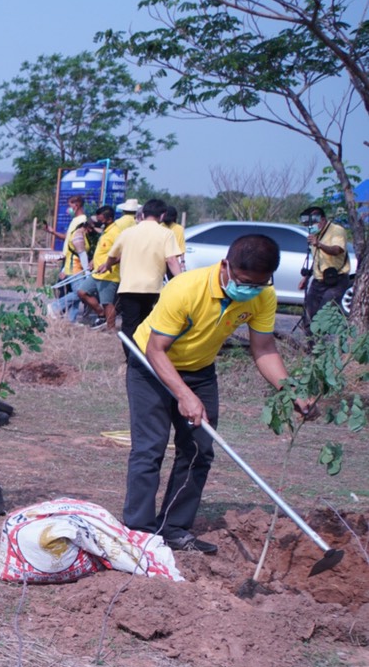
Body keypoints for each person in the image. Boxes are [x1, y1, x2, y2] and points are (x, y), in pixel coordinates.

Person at [125, 233, 309, 553]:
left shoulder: (261, 295)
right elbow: (156, 350)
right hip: (151, 366)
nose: (249, 289)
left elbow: (264, 347)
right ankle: (138, 532)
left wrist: (290, 390)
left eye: (260, 283)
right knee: (149, 448)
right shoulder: (185, 288)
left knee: (199, 450)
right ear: (226, 265)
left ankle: (174, 528)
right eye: (244, 281)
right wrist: (183, 395)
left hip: (200, 371)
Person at [96, 197, 184, 344]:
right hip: (152, 289)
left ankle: (130, 359)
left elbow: (112, 255)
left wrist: (108, 265)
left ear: (142, 214)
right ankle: (141, 357)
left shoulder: (127, 233)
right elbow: (171, 260)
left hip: (128, 288)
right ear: (162, 215)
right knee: (146, 325)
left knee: (129, 326)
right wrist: (182, 280)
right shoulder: (166, 234)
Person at [299, 206, 354, 335]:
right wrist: (306, 277)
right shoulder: (314, 235)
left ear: (323, 220)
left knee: (324, 314)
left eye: (314, 221)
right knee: (309, 315)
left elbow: (337, 250)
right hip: (318, 280)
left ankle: (324, 346)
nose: (310, 225)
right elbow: (318, 259)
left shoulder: (336, 231)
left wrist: (319, 244)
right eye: (307, 223)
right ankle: (311, 347)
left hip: (336, 279)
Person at [88, 199, 139, 330]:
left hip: (109, 273)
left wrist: (107, 264)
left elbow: (122, 252)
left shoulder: (117, 229)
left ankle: (110, 329)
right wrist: (94, 261)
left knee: (107, 303)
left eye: (101, 218)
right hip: (97, 272)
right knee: (82, 291)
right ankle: (101, 315)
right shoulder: (115, 227)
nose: (99, 220)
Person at [47, 196, 89, 322]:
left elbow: (79, 246)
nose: (68, 209)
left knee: (78, 291)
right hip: (72, 262)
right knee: (78, 291)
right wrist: (53, 232)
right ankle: (56, 308)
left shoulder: (82, 220)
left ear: (76, 205)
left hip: (75, 262)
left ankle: (71, 319)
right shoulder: (75, 220)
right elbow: (69, 239)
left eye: (70, 206)